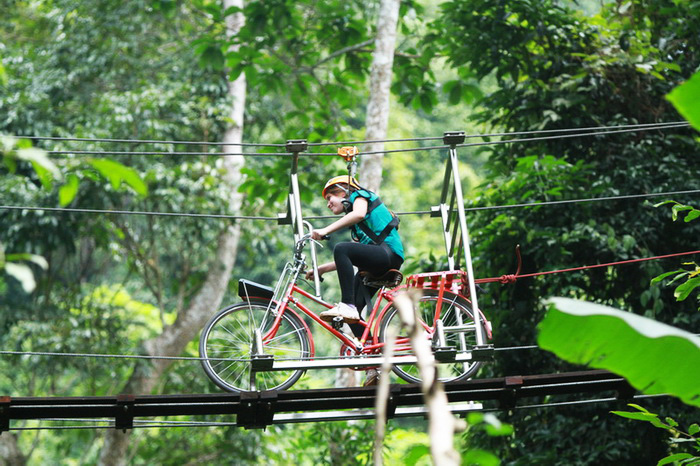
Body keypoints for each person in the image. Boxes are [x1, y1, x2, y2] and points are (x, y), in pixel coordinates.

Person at [307, 175, 404, 385]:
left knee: (342, 248)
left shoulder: (361, 196)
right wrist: (321, 269)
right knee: (349, 319)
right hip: (376, 260)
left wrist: (325, 230)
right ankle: (374, 367)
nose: (328, 203)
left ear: (344, 192)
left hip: (387, 254)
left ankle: (347, 304)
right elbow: (354, 256)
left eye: (330, 196)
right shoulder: (358, 231)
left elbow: (359, 214)